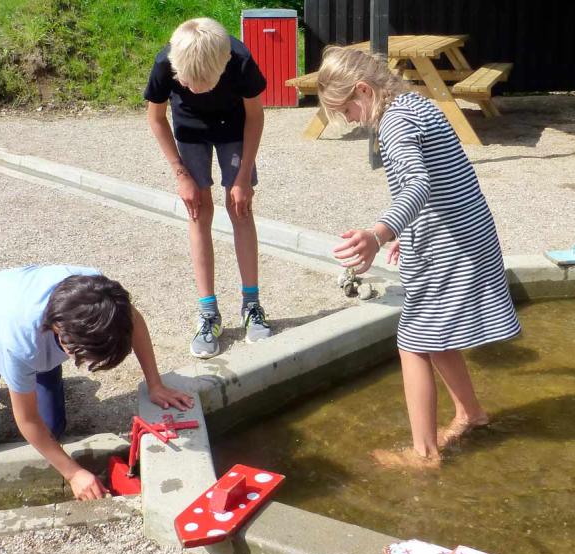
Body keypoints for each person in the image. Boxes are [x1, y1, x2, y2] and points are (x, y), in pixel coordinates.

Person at [317, 46, 521, 469]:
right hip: (462, 234)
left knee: (412, 342)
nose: (349, 119)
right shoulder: (416, 103)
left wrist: (380, 232)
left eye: (346, 109)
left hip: (452, 246)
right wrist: (409, 230)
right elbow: (443, 178)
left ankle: (424, 454)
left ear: (363, 90)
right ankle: (471, 413)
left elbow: (417, 185)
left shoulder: (394, 123)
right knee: (435, 335)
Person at [0, 265, 194, 499]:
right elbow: (27, 420)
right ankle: (15, 382)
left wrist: (155, 385)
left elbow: (134, 320)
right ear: (61, 333)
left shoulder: (104, 299)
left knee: (52, 430)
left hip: (38, 335)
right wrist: (73, 473)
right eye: (83, 356)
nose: (88, 364)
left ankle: (24, 380)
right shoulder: (22, 342)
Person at [144, 17, 272, 359]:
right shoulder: (165, 62)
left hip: (234, 128)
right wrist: (180, 174)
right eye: (189, 83)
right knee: (199, 211)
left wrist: (243, 176)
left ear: (223, 66)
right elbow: (156, 119)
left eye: (204, 84)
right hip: (190, 132)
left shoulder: (240, 60)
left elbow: (256, 116)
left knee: (240, 209)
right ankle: (208, 313)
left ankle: (251, 305)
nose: (196, 89)